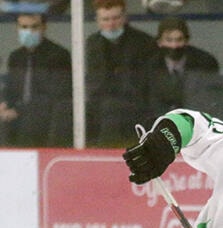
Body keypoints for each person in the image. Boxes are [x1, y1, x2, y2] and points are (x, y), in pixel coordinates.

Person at [85, 0, 157, 147]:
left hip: (136, 104)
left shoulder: (144, 42)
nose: (111, 24)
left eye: (115, 18)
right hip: (100, 104)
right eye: (105, 19)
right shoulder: (92, 43)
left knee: (112, 110)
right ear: (97, 21)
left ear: (124, 17)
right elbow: (94, 80)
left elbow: (147, 82)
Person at [145, 16, 223, 123]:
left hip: (198, 122)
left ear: (187, 41)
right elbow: (149, 101)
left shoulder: (204, 62)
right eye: (169, 40)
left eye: (179, 40)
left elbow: (213, 98)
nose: (174, 45)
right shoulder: (150, 64)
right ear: (159, 42)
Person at [0, 12, 72, 147]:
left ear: (44, 28)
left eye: (34, 27)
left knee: (29, 122)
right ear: (17, 28)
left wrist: (19, 110)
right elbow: (10, 87)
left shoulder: (58, 55)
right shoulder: (16, 56)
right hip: (17, 111)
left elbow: (56, 94)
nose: (29, 31)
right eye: (24, 27)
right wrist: (3, 103)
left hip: (44, 112)